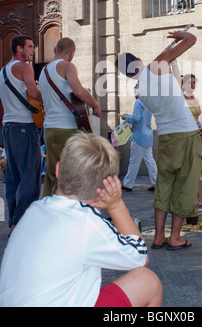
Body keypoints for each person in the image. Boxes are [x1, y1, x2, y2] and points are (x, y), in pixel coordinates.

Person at [0, 131, 162, 307]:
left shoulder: (36, 209)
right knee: (148, 282)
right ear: (106, 187)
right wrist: (116, 205)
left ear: (58, 170)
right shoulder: (86, 222)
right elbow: (140, 256)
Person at [116, 29, 200, 250]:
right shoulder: (155, 66)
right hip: (185, 133)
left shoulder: (140, 89)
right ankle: (175, 237)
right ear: (140, 61)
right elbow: (191, 39)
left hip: (164, 136)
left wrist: (170, 49)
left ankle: (159, 236)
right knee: (185, 184)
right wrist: (181, 34)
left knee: (164, 185)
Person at [39, 37, 101, 197]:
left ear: (55, 49)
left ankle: (45, 211)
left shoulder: (44, 71)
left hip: (49, 129)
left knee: (52, 176)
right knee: (68, 176)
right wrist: (95, 105)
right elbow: (79, 91)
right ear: (72, 52)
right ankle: (64, 214)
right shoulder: (67, 66)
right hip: (66, 129)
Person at [0, 35, 42, 237]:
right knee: (30, 178)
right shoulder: (24, 67)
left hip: (8, 127)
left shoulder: (3, 70)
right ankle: (19, 224)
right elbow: (34, 93)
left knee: (13, 179)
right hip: (24, 128)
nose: (33, 50)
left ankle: (13, 222)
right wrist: (50, 99)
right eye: (30, 46)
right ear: (19, 48)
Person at [182, 73, 202, 207]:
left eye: (195, 82)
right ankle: (197, 197)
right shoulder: (181, 99)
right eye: (190, 82)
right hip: (185, 135)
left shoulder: (194, 98)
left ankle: (197, 197)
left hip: (195, 134)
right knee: (191, 168)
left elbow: (197, 119)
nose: (193, 85)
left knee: (194, 168)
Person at [121, 91, 157, 192]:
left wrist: (125, 117)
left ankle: (128, 184)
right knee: (150, 161)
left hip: (139, 136)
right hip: (148, 135)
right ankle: (156, 182)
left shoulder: (138, 102)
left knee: (134, 161)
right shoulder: (149, 102)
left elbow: (136, 118)